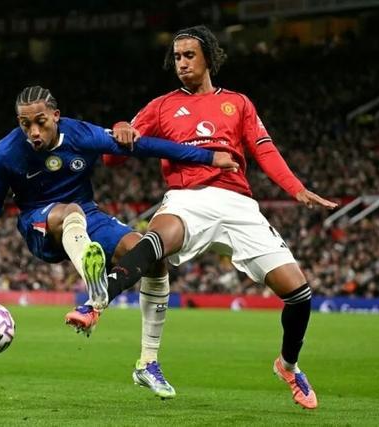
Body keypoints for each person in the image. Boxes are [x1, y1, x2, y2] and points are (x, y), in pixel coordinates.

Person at [67, 26, 337, 409]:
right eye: (176, 57)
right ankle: (96, 302)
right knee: (155, 242)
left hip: (238, 203)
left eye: (189, 55)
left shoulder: (238, 103)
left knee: (299, 293)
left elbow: (264, 149)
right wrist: (123, 131)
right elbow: (112, 157)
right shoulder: (161, 106)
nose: (181, 63)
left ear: (208, 57)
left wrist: (295, 188)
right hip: (187, 198)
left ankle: (288, 366)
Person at [0, 85, 238, 398]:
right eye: (25, 124)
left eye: (40, 122)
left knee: (149, 254)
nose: (33, 131)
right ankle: (94, 278)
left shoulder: (81, 135)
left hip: (89, 217)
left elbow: (147, 146)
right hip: (39, 223)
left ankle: (148, 363)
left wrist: (208, 156)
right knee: (70, 211)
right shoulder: (5, 152)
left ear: (56, 116)